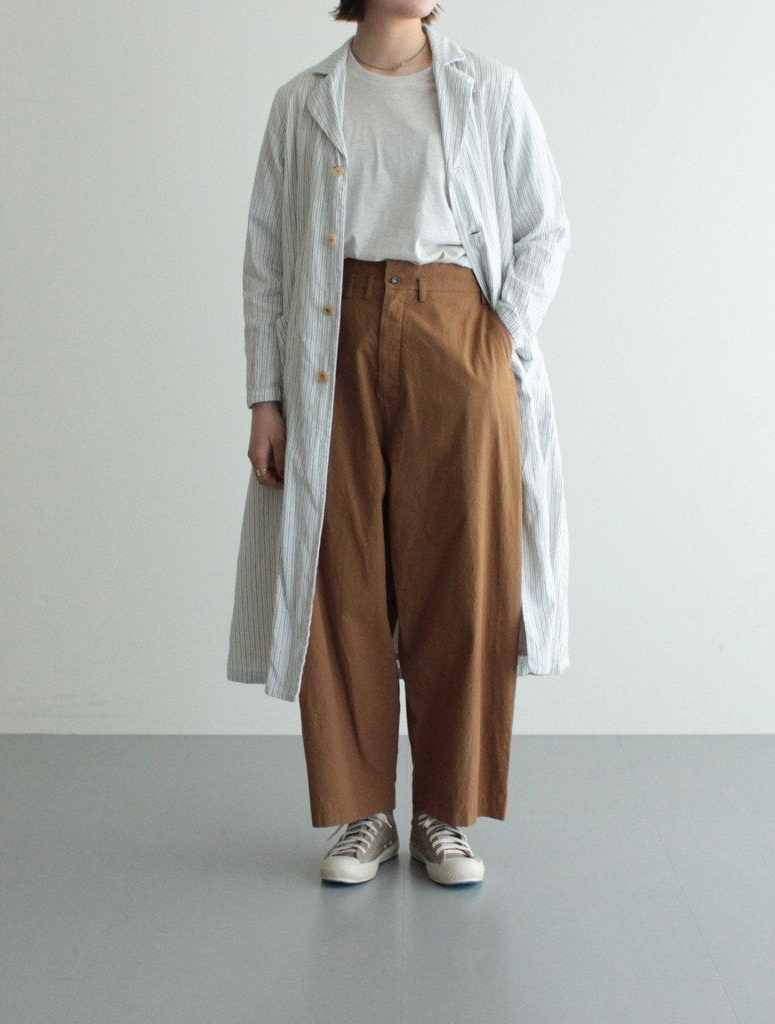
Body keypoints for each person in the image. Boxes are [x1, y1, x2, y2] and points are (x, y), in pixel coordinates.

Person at [226, 0, 571, 886]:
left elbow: (545, 228)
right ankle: (363, 814)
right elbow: (267, 257)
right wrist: (266, 396)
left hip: (458, 335)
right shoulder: (303, 100)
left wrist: (498, 335)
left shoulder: (489, 88)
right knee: (338, 572)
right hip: (330, 340)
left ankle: (444, 816)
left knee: (463, 574)